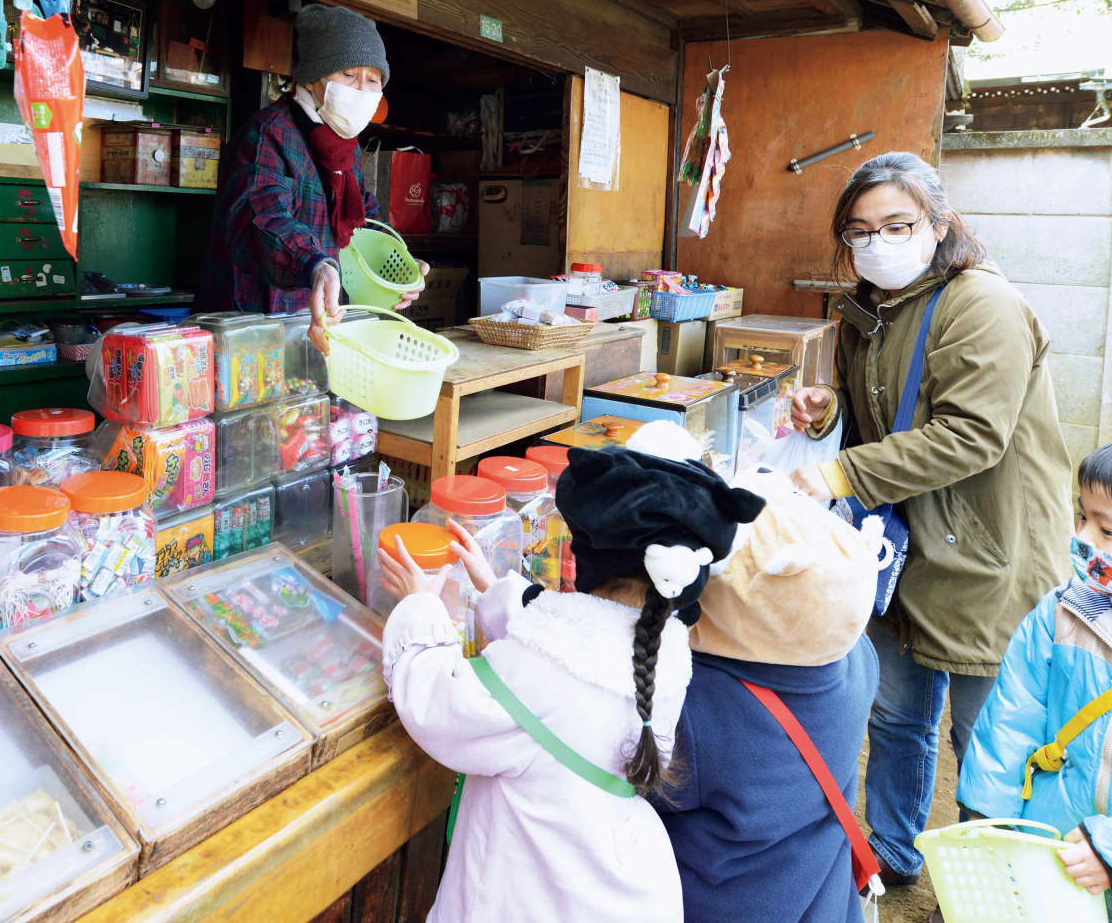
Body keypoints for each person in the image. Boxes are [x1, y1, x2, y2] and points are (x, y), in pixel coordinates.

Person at [787, 151, 1074, 888]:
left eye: (896, 224)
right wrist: (831, 414)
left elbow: (971, 435)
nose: (875, 241)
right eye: (858, 229)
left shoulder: (984, 305)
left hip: (989, 550)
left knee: (993, 738)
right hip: (900, 550)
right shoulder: (864, 309)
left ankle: (1006, 884)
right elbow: (882, 413)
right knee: (895, 718)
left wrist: (841, 472)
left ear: (940, 223)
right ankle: (893, 850)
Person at [377, 436, 763, 923]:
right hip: (611, 890)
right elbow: (565, 641)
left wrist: (421, 605)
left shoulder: (542, 673)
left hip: (523, 895)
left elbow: (438, 705)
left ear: (586, 562)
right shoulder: (662, 659)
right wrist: (496, 587)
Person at [958, 437, 1112, 923]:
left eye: (1108, 530)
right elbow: (1009, 725)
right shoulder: (1062, 613)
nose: (1084, 538)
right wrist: (990, 825)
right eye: (1083, 517)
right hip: (1051, 863)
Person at [651, 462, 881, 922]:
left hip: (721, 902)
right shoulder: (859, 662)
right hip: (820, 898)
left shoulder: (701, 707)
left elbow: (631, 781)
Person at [198, 3, 426, 322]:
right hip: (257, 323)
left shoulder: (345, 145)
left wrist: (400, 263)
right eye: (349, 74)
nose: (362, 89)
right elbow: (259, 217)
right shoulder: (267, 135)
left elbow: (363, 215)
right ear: (310, 79)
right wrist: (313, 264)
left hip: (321, 322)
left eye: (373, 80)